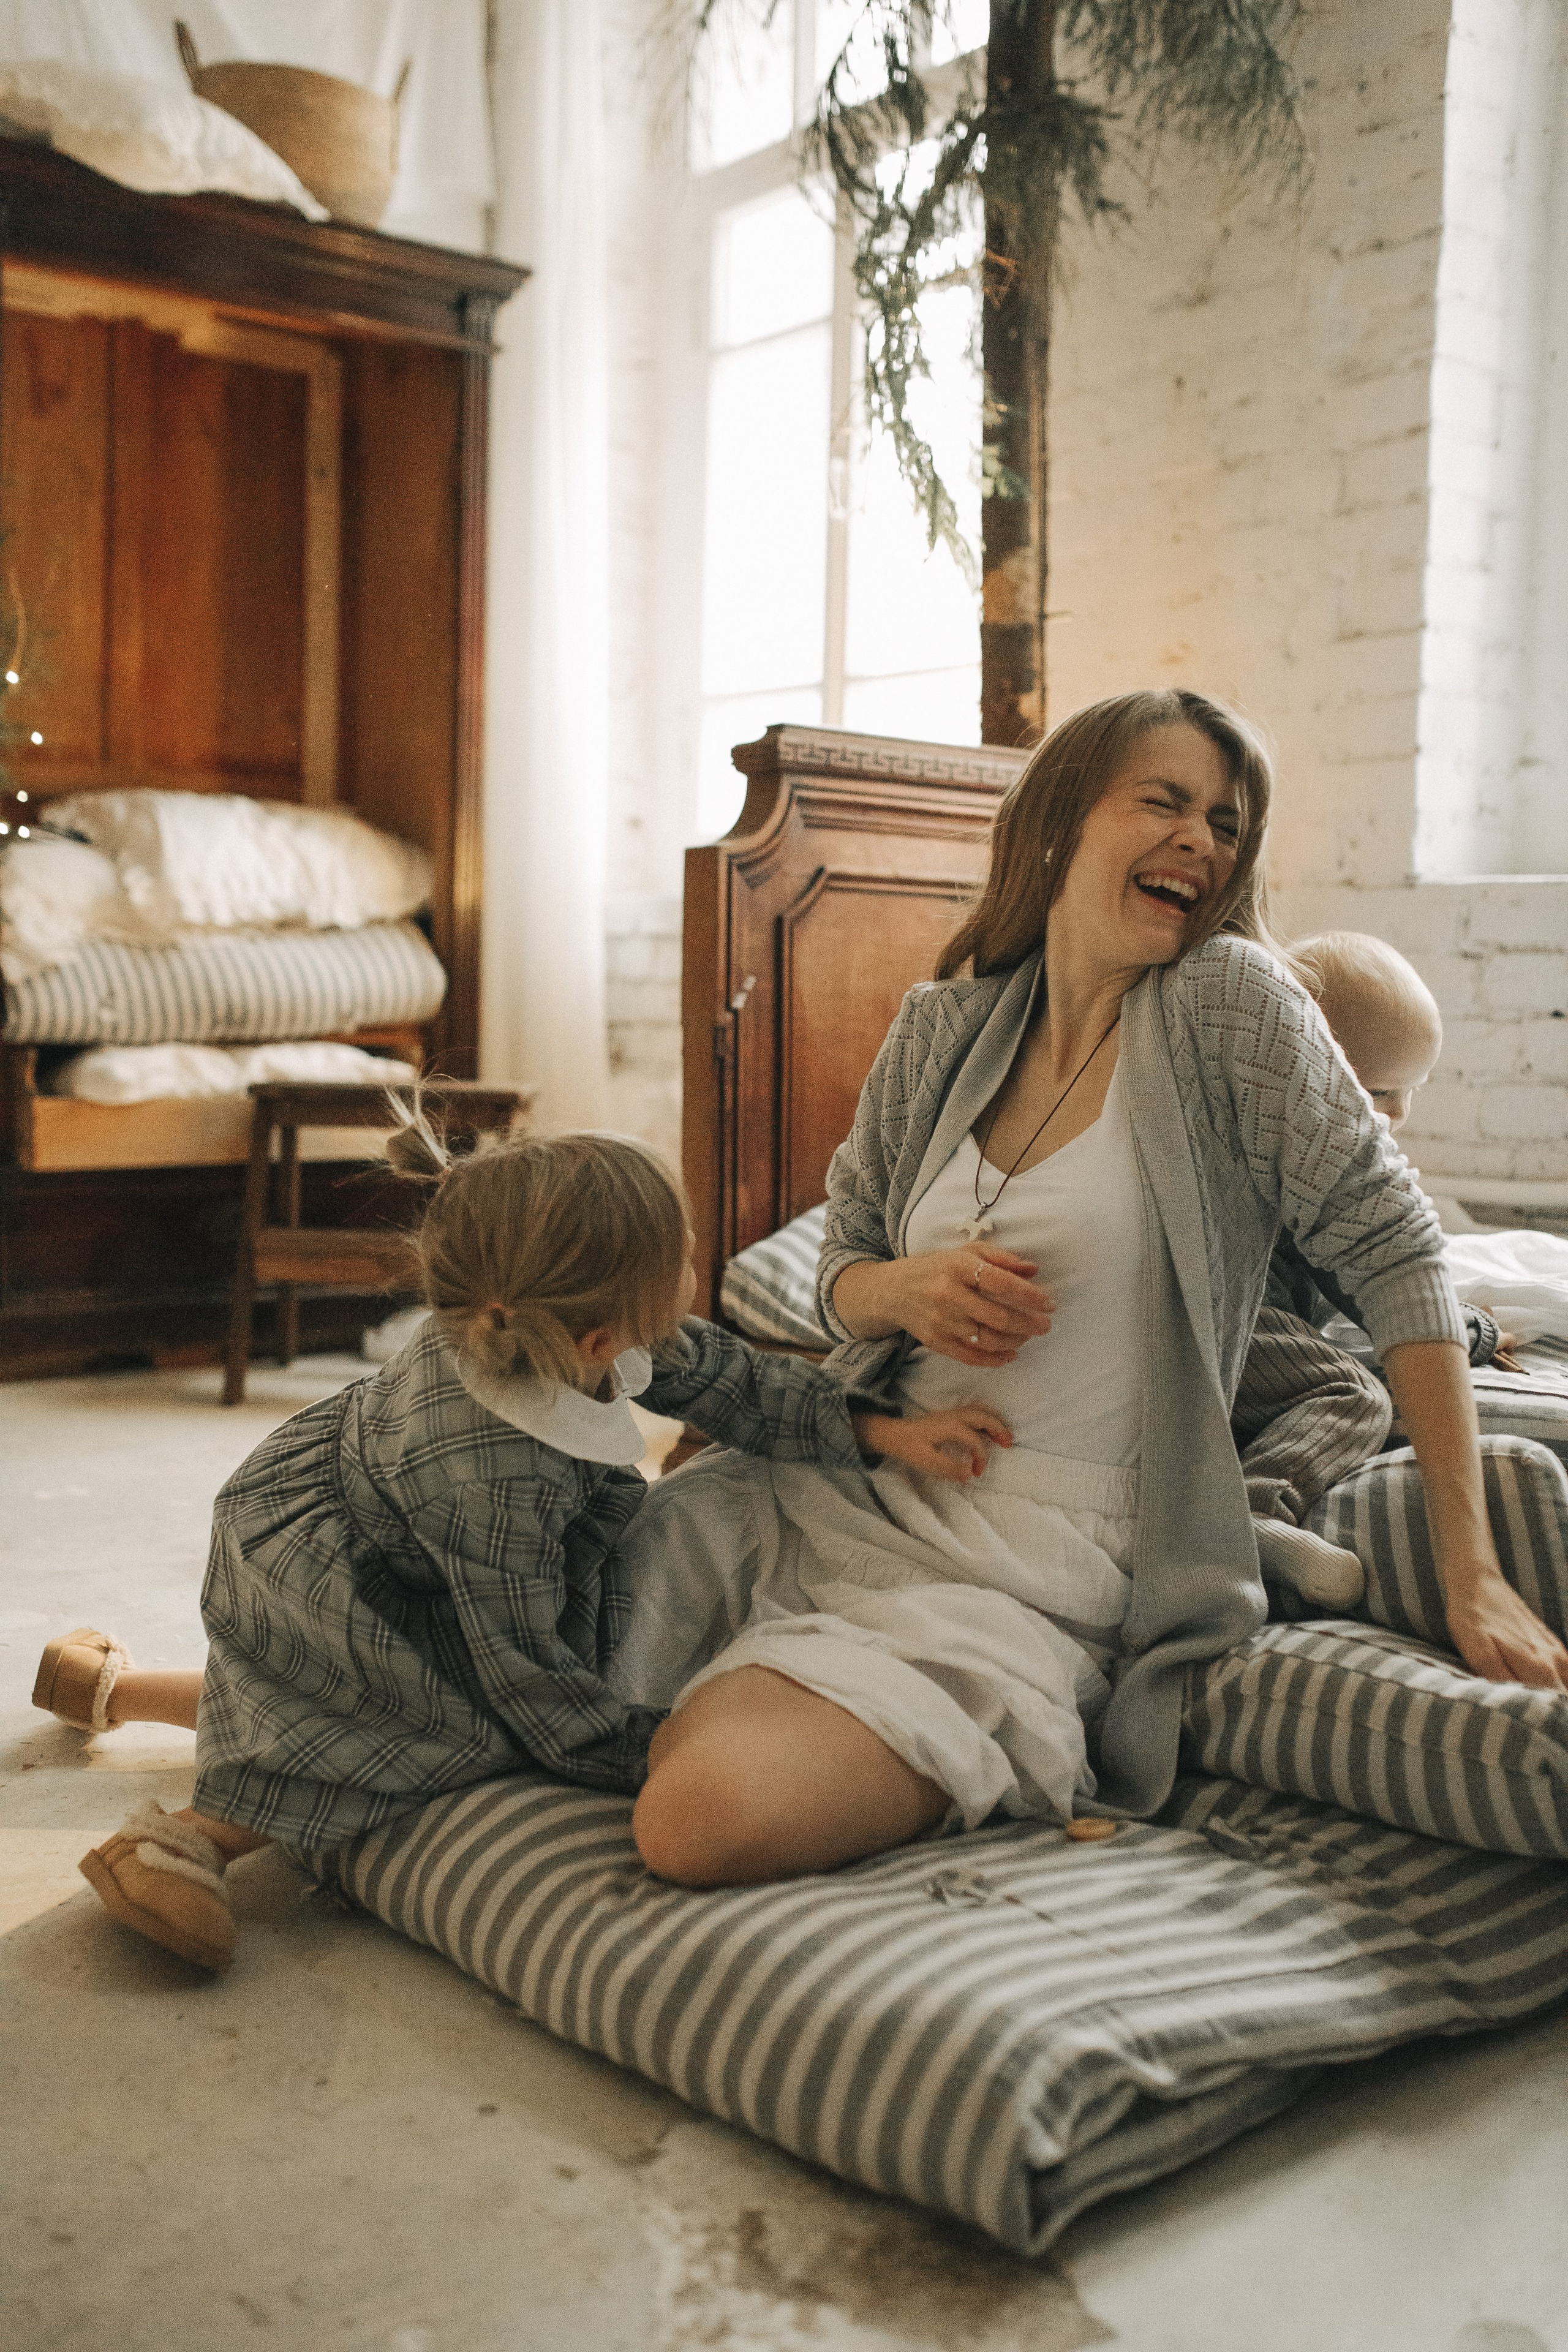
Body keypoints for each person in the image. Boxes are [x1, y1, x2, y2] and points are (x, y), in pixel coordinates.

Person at [611, 687, 1568, 1888]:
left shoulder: (1231, 1006)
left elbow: (1397, 1255)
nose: (1201, 841)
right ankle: (725, 1685)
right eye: (1161, 801)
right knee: (480, 1587)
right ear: (1059, 825)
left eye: (1224, 822)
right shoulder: (939, 1027)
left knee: (697, 1820)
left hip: (1044, 1552)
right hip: (850, 1482)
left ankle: (766, 1703)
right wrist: (901, 1291)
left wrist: (1467, 1565)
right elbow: (836, 1282)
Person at [40, 1119, 1004, 1970]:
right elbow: (526, 1669)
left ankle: (112, 1688)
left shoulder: (558, 1316)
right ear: (595, 1338)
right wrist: (648, 1750)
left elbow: (722, 1377)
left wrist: (878, 1430)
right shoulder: (491, 1480)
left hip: (388, 1521)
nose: (692, 1266)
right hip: (343, 1571)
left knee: (304, 1696)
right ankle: (184, 1842)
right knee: (424, 1725)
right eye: (682, 1257)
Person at [1234, 930, 1518, 1611]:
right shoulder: (1308, 1159)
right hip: (1230, 1330)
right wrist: (1470, 1334)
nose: (1398, 1114)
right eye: (1382, 1091)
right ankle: (1252, 1511)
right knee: (1357, 1393)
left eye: (1412, 1091)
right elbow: (1373, 1285)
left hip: (1250, 1334)